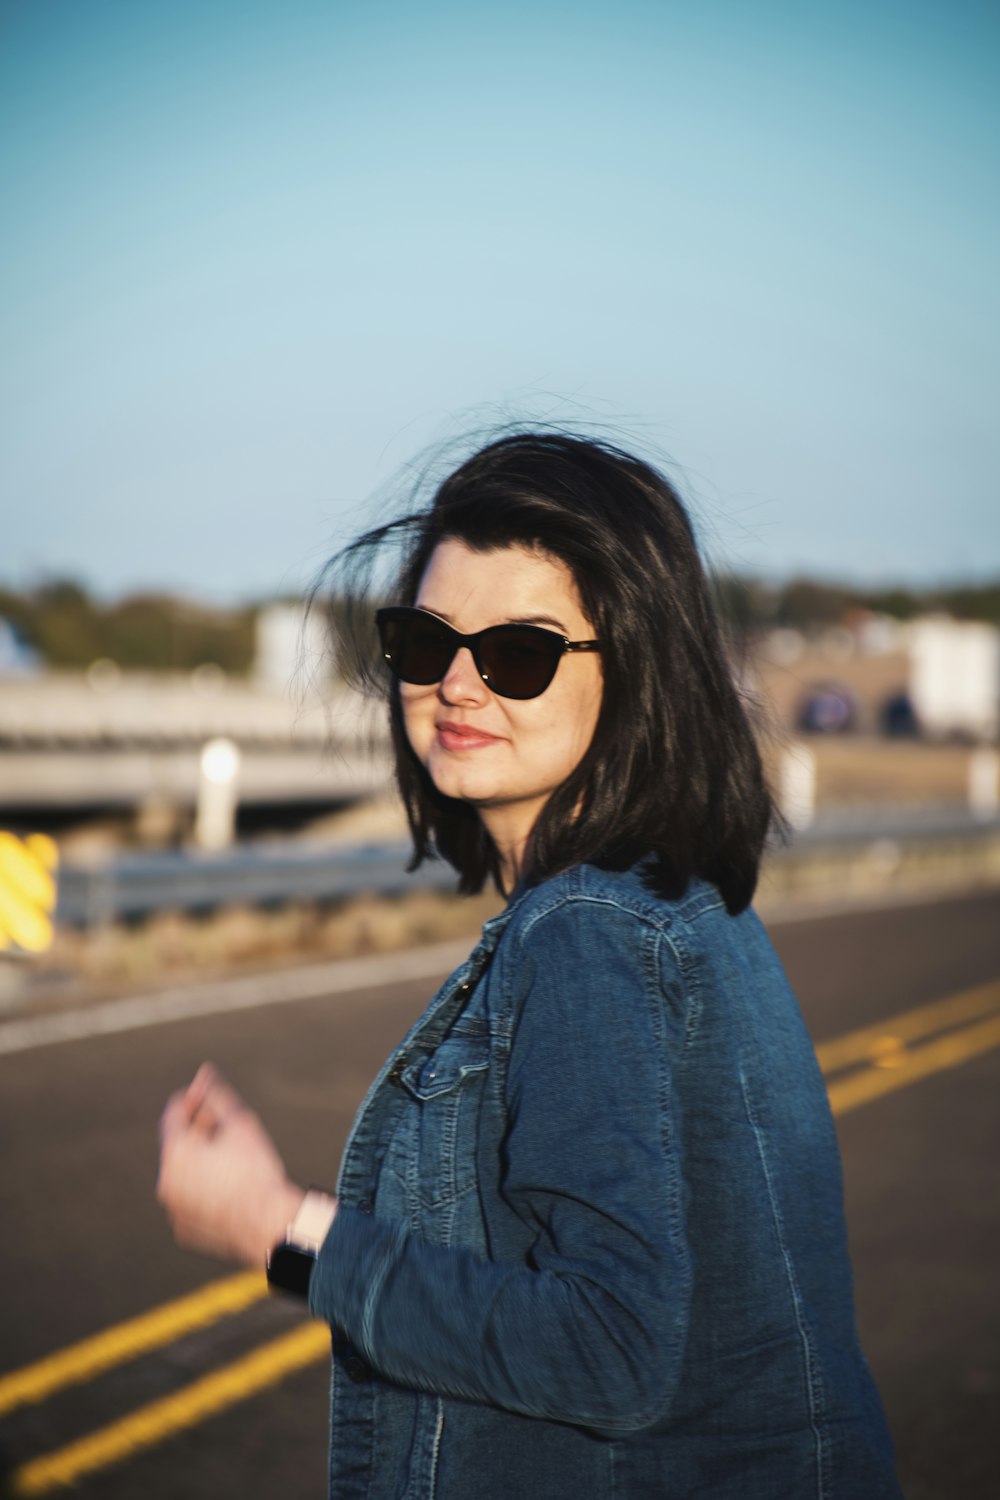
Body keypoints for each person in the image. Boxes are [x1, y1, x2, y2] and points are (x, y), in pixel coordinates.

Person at [157, 432, 901, 1498]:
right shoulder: (673, 903)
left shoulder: (590, 933)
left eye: (519, 653)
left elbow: (609, 1348)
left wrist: (278, 1229)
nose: (458, 684)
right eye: (426, 641)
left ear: (633, 675)